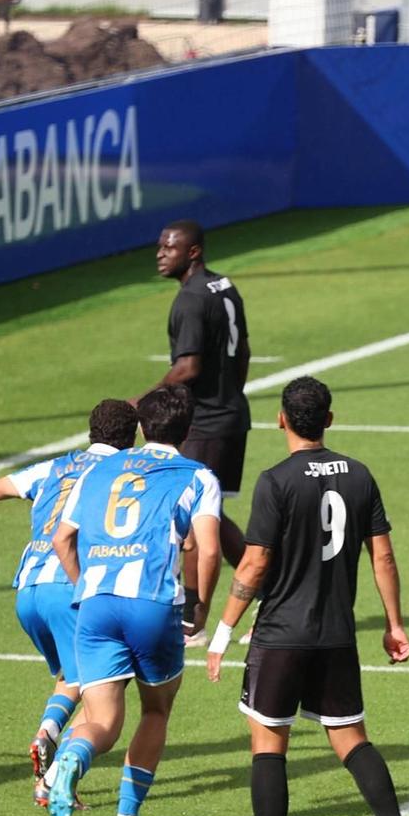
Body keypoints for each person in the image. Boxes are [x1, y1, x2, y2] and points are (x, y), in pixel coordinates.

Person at [205, 376, 409, 816]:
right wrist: (393, 624)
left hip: (280, 634)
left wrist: (222, 632)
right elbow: (383, 556)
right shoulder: (360, 474)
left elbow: (255, 563)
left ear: (281, 419)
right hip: (337, 635)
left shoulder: (275, 480)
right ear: (329, 418)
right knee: (352, 741)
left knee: (268, 746)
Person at [0, 399, 140, 807]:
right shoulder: (120, 473)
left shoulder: (54, 467)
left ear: (91, 432)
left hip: (28, 591)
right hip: (68, 587)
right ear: (131, 437)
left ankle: (48, 730)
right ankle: (51, 780)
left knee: (72, 674)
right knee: (104, 691)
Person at [46, 384, 222, 816]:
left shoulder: (99, 469)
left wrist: (85, 582)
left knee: (102, 720)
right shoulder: (198, 476)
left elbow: (62, 539)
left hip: (96, 605)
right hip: (152, 604)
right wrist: (199, 604)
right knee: (156, 711)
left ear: (142, 426)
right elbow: (208, 550)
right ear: (189, 429)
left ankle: (70, 759)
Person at [143, 220, 251, 638]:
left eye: (169, 247)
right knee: (213, 513)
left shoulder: (189, 300)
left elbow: (188, 366)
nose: (160, 253)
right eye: (159, 246)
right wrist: (231, 395)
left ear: (193, 252)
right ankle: (265, 584)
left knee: (190, 519)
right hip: (229, 412)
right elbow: (243, 350)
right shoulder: (222, 285)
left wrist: (145, 402)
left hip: (206, 422)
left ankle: (192, 619)